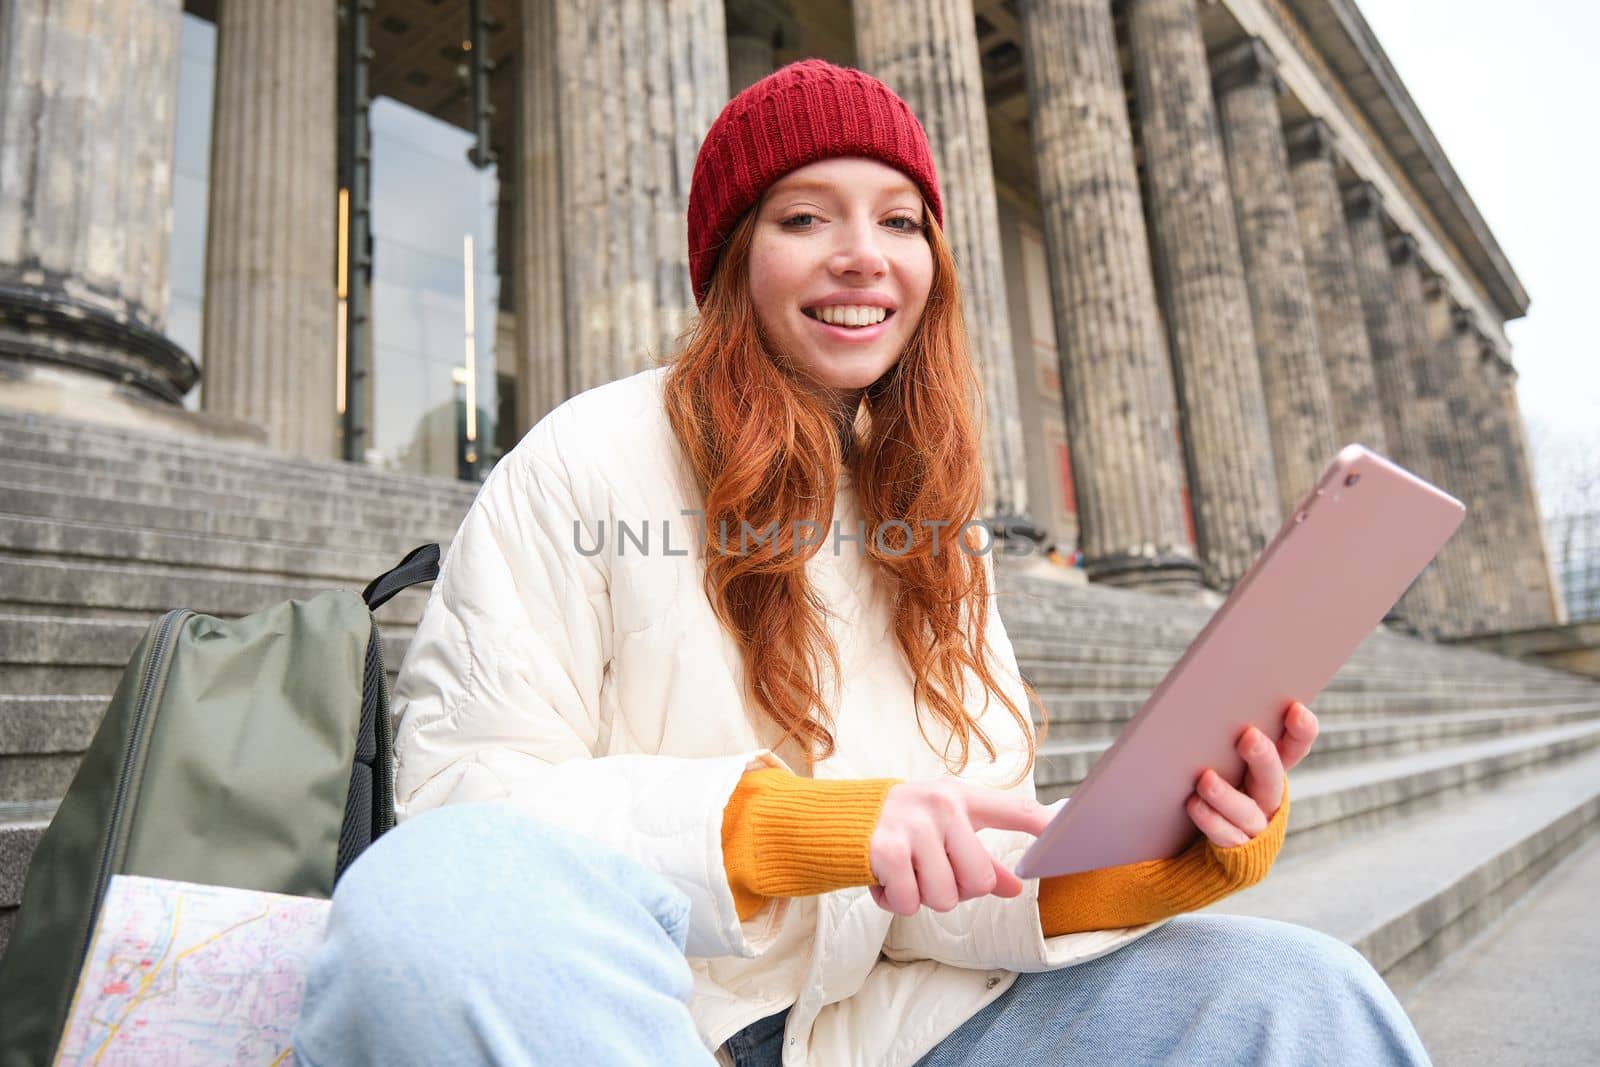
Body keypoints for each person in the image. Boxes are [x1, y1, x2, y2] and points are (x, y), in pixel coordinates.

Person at [293, 60, 1431, 1066]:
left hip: (888, 1028)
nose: (863, 258)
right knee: (425, 900)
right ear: (735, 256)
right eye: (805, 217)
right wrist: (782, 829)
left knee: (1298, 996)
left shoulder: (929, 513)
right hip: (637, 1021)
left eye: (898, 221)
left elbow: (956, 885)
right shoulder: (583, 458)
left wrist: (1165, 851)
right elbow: (461, 812)